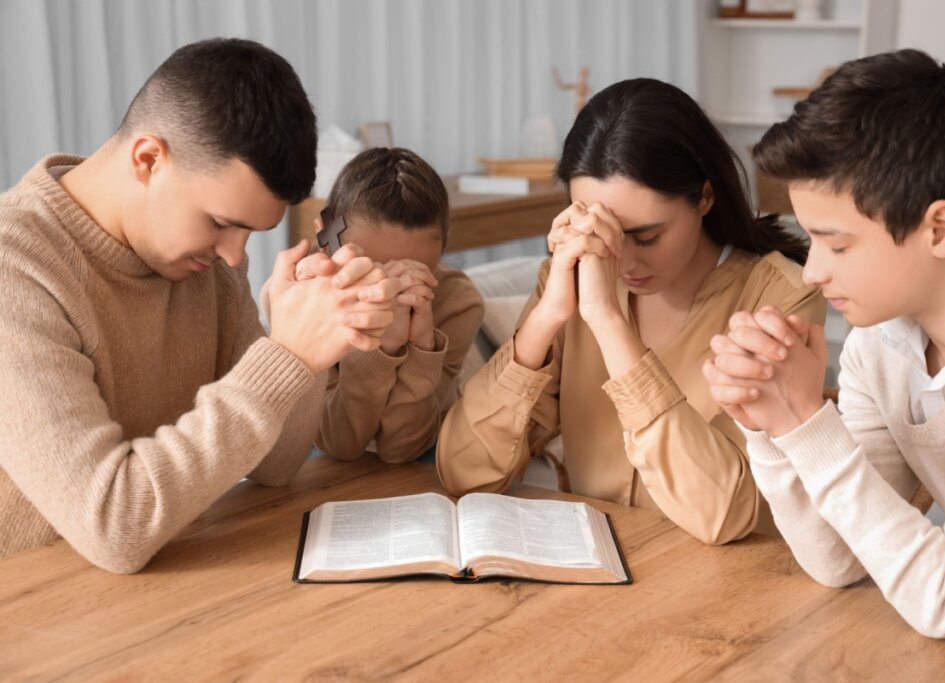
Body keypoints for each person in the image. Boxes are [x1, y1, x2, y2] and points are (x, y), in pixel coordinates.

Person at [0, 38, 399, 573]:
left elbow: (276, 466)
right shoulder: (16, 266)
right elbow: (114, 526)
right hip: (35, 612)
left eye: (251, 233)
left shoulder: (204, 261)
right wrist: (287, 357)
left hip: (169, 585)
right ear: (148, 159)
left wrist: (308, 343)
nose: (236, 256)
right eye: (220, 223)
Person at [703, 49, 945, 637]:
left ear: (940, 229)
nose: (811, 272)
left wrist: (807, 418)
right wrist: (774, 424)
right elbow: (837, 559)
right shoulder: (881, 345)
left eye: (838, 244)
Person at [437, 77, 825, 544]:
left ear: (704, 196)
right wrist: (544, 319)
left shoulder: (781, 297)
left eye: (645, 237)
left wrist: (608, 321)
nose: (623, 262)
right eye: (604, 235)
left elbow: (724, 515)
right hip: (595, 577)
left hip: (728, 590)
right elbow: (464, 474)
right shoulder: (572, 283)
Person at [303, 147, 483, 463]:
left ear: (441, 250)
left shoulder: (457, 303)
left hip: (423, 454)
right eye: (368, 267)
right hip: (325, 453)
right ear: (326, 236)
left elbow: (402, 450)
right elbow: (339, 444)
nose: (388, 287)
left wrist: (422, 347)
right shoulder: (304, 295)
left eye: (413, 272)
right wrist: (378, 350)